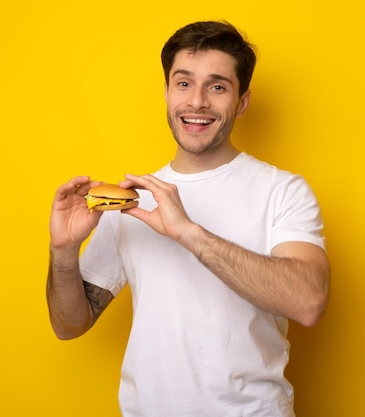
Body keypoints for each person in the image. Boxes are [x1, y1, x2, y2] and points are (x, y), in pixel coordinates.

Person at [46, 20, 330, 417]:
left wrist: (188, 233)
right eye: (183, 83)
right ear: (165, 93)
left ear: (242, 102)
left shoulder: (283, 190)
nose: (197, 101)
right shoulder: (131, 201)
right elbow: (69, 325)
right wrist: (63, 251)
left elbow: (308, 303)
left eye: (217, 87)